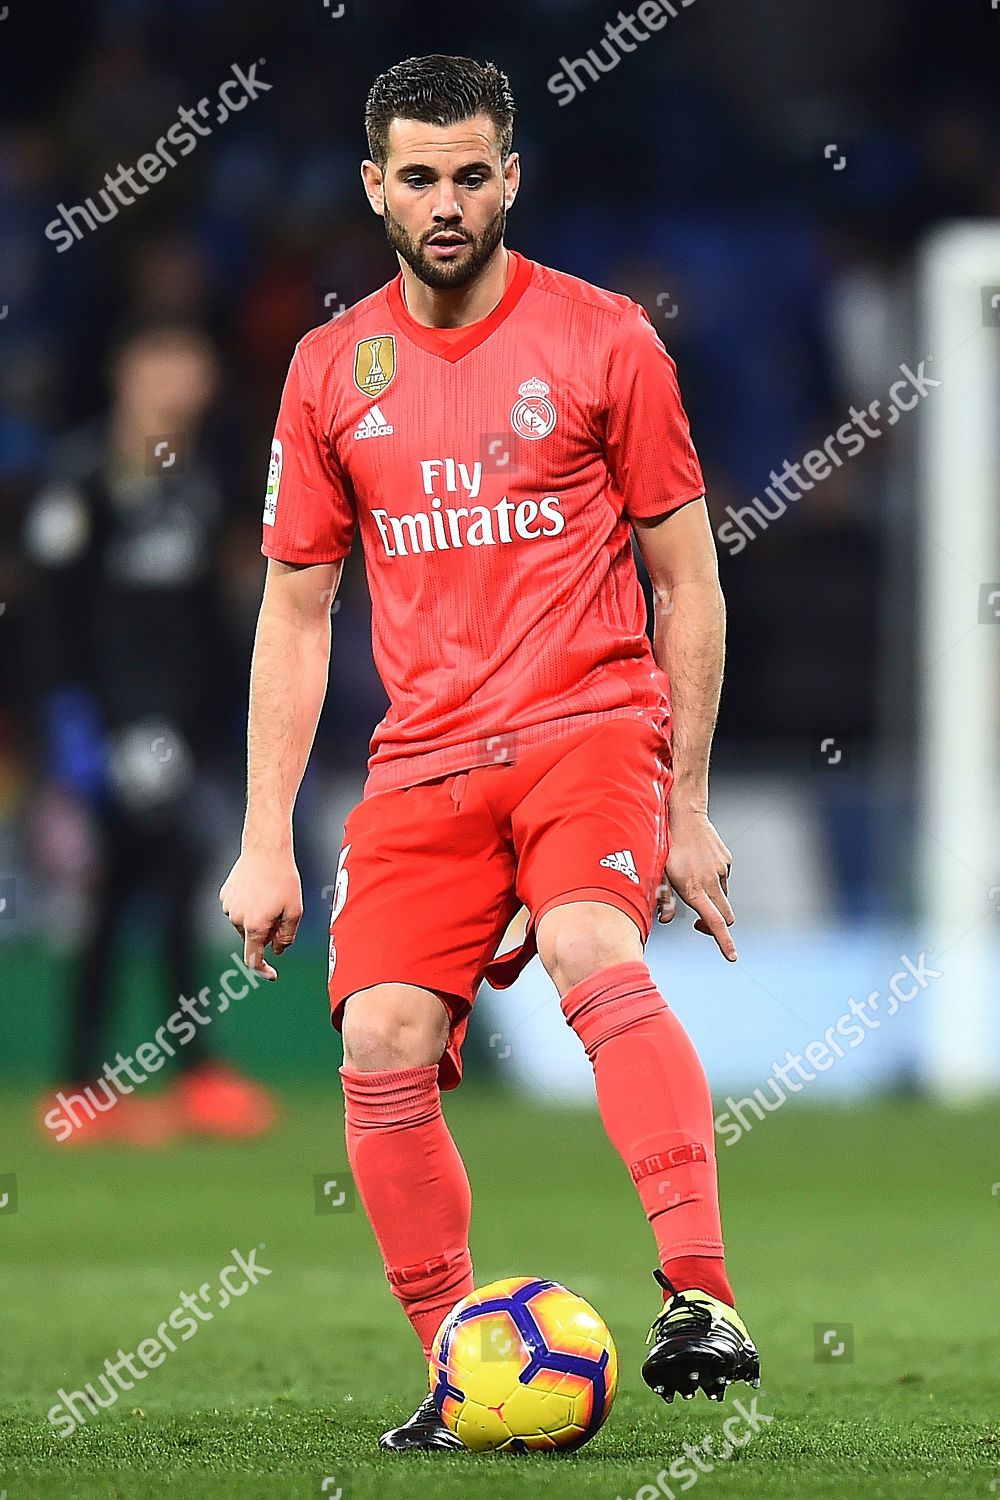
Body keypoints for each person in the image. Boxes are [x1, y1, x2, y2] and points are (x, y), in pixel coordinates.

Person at [220, 54, 759, 1450]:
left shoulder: (606, 341)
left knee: (594, 944)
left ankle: (699, 1293)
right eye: (419, 176)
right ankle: (467, 1376)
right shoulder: (331, 370)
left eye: (472, 174)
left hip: (587, 727)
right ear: (373, 187)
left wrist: (685, 803)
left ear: (512, 176)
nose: (447, 201)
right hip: (423, 762)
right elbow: (296, 608)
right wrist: (264, 832)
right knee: (380, 1036)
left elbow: (688, 580)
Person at [25, 321, 276, 1146]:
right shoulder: (82, 479)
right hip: (107, 727)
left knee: (160, 893)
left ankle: (108, 1082)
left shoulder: (197, 485)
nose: (179, 382)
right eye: (162, 363)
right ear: (127, 374)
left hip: (181, 732)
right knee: (129, 893)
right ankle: (107, 1080)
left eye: (192, 365)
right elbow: (46, 616)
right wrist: (69, 724)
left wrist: (222, 728)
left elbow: (209, 625)